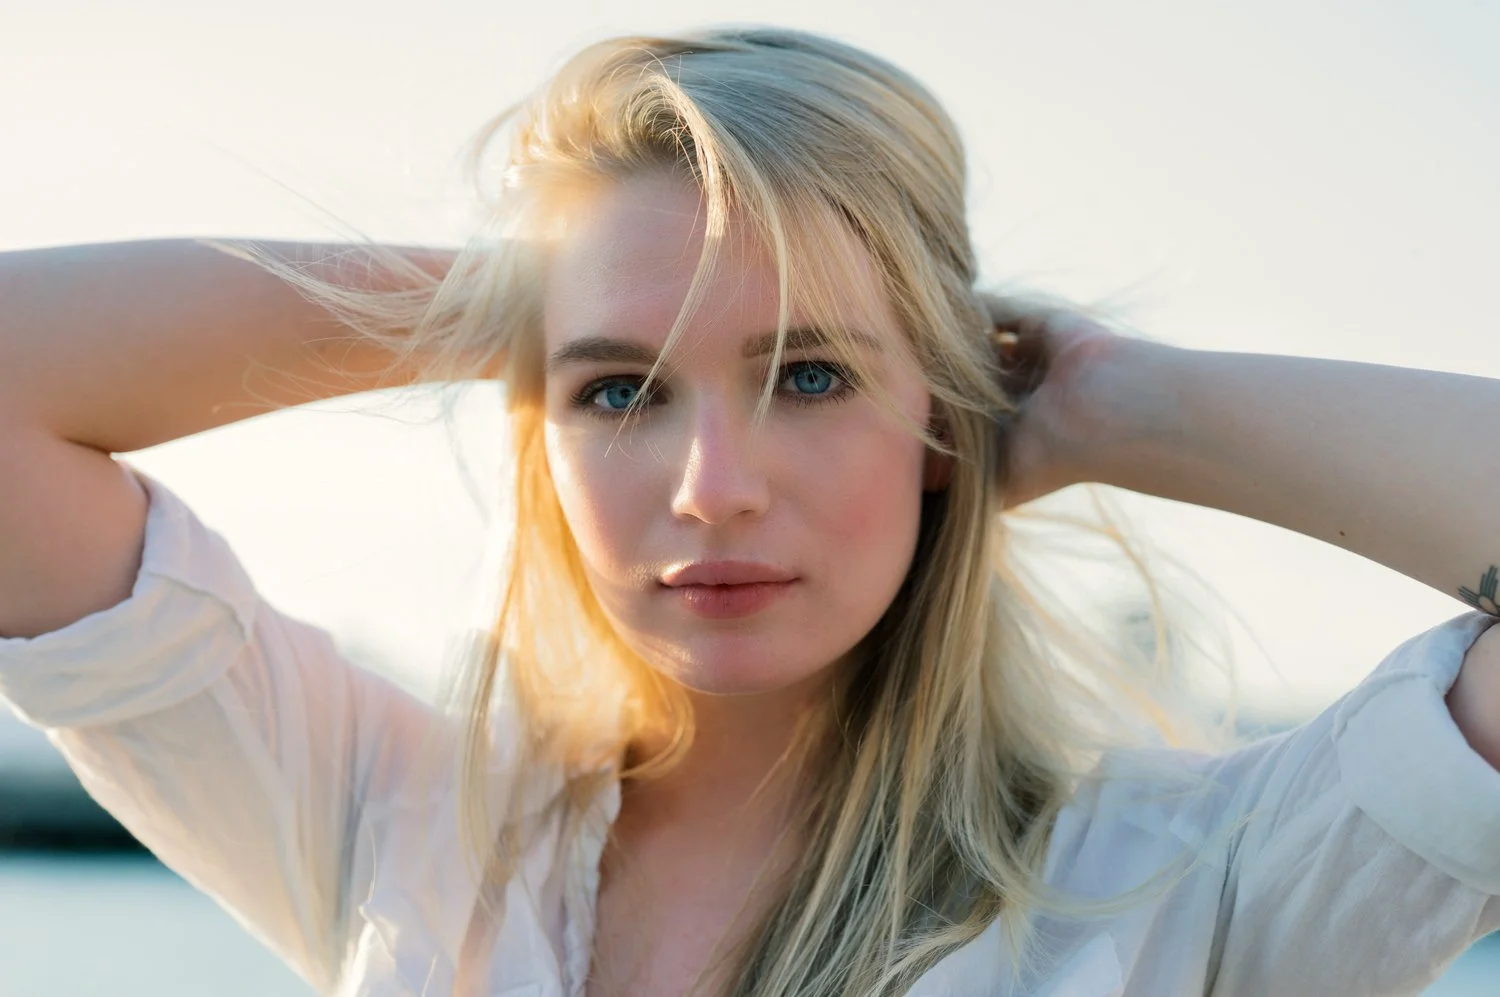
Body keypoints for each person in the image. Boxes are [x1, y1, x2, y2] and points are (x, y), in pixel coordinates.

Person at [2, 24, 1499, 997]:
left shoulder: (1200, 884)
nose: (713, 487)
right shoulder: (405, 832)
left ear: (938, 415)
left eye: (809, 375)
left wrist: (1123, 404)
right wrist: (508, 295)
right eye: (618, 393)